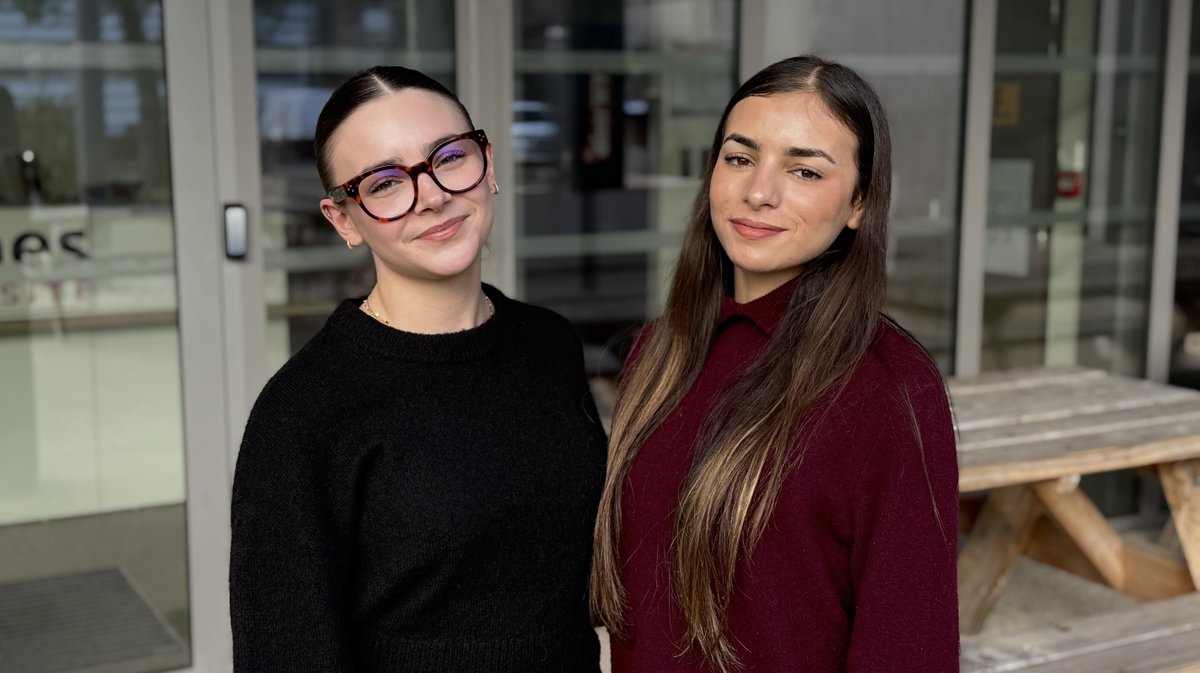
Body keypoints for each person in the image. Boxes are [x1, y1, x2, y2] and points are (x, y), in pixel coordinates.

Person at [229, 66, 607, 672]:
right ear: (344, 220)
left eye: (449, 157)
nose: (432, 194)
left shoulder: (549, 343)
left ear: (488, 162)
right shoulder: (302, 413)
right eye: (383, 184)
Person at [591, 55, 958, 673]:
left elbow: (908, 649)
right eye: (739, 158)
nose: (758, 191)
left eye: (805, 170)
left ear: (859, 204)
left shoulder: (887, 389)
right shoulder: (658, 352)